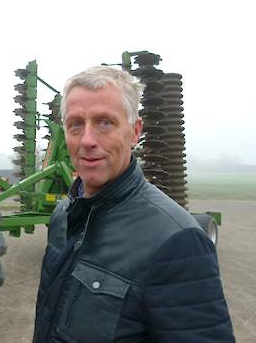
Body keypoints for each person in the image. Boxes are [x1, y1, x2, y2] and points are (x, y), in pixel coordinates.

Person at [32, 66, 236, 343]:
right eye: (75, 124)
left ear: (135, 131)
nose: (88, 140)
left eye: (105, 123)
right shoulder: (62, 215)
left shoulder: (177, 241)